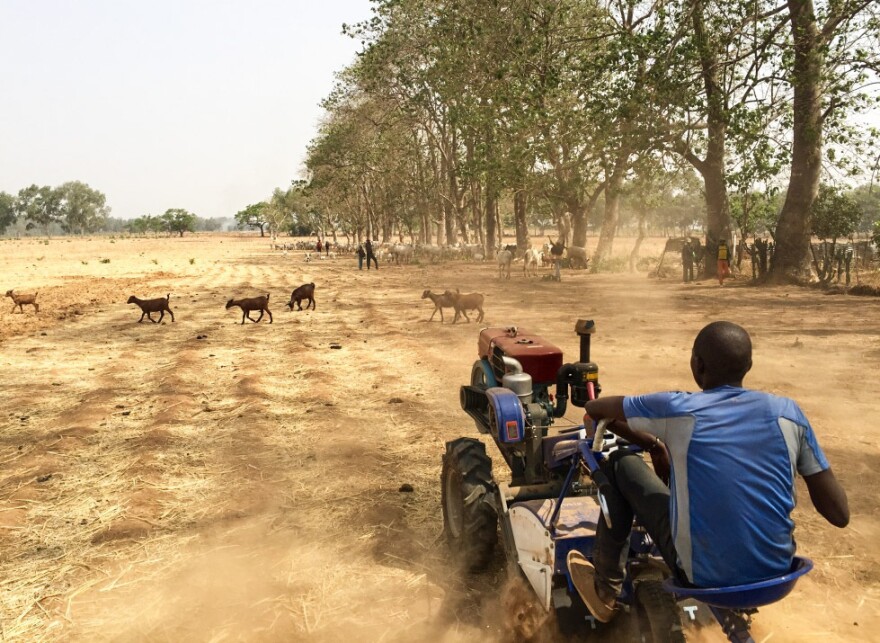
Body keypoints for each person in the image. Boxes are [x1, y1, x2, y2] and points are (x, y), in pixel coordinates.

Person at [567, 321, 849, 623]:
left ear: (696, 364)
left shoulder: (678, 409)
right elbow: (839, 515)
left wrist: (652, 445)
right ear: (749, 365)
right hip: (777, 573)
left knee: (620, 462)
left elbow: (596, 410)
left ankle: (605, 589)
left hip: (701, 577)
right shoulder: (789, 414)